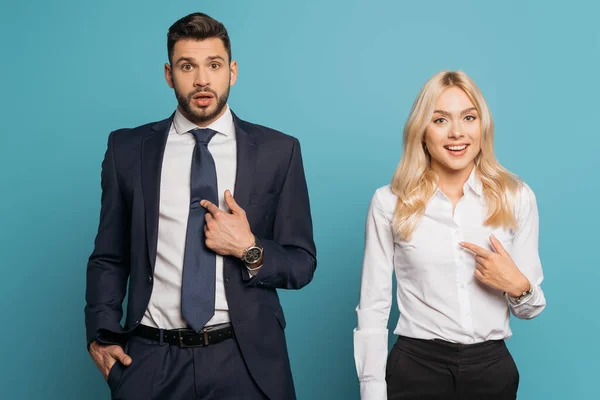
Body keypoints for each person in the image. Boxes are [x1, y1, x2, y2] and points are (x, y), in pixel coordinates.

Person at [85, 12, 316, 400]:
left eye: (214, 65)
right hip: (151, 360)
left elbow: (301, 262)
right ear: (168, 73)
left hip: (245, 361)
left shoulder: (279, 151)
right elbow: (109, 256)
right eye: (187, 66)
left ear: (233, 71)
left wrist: (248, 249)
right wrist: (100, 335)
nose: (202, 79)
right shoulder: (127, 150)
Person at [353, 70, 546, 400]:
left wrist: (517, 285)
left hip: (492, 372)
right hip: (416, 369)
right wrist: (372, 390)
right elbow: (373, 305)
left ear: (482, 126)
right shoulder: (389, 202)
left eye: (468, 117)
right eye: (440, 120)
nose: (457, 132)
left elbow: (530, 308)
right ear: (422, 132)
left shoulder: (517, 197)